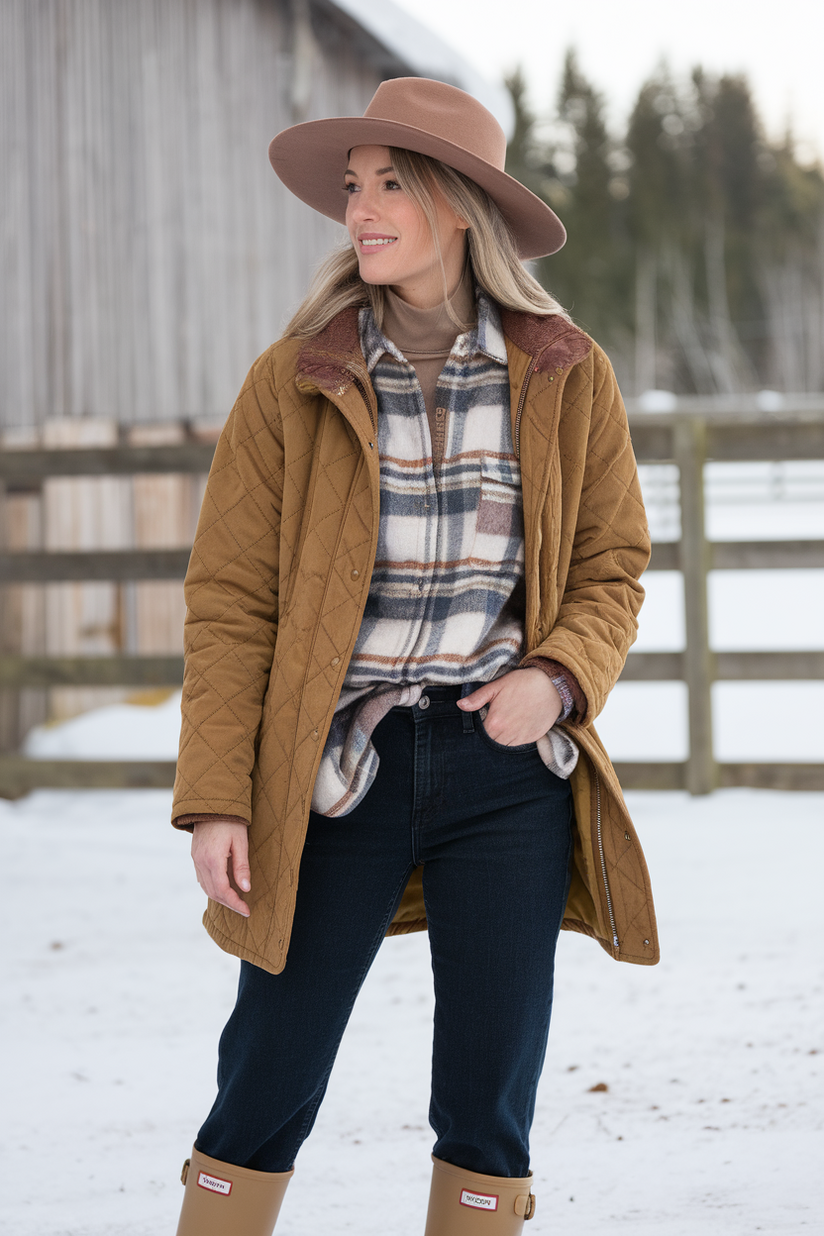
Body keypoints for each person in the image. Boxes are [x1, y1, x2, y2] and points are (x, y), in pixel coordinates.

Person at [171, 77, 659, 1236]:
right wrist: (218, 797)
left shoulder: (562, 371)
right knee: (266, 1077)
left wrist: (554, 679)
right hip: (337, 770)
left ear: (458, 205)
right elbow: (231, 600)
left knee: (489, 1095)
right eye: (354, 188)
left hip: (504, 777)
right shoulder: (294, 380)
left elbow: (610, 565)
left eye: (391, 184)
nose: (361, 209)